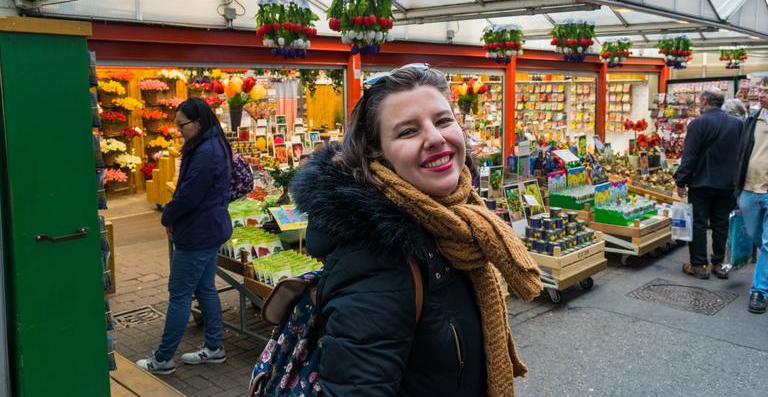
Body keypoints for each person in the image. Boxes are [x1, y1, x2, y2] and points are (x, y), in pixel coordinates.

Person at [291, 64, 542, 396]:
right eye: (408, 131)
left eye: (443, 121)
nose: (436, 138)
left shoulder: (458, 225)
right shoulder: (377, 264)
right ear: (376, 153)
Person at [137, 98, 233, 374]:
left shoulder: (206, 151)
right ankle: (213, 347)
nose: (179, 130)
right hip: (208, 228)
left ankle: (163, 358)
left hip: (197, 232)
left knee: (179, 295)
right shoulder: (211, 144)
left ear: (198, 122)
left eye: (182, 125)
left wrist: (168, 215)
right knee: (205, 288)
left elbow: (189, 194)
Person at [674, 89, 742, 280]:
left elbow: (690, 156)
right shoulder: (738, 124)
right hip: (728, 183)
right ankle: (720, 264)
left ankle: (699, 265)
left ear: (704, 100)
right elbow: (742, 154)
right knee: (722, 224)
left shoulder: (698, 123)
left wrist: (681, 181)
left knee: (699, 223)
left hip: (702, 183)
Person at [735, 76, 768, 313]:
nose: (762, 93)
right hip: (749, 188)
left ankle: (759, 291)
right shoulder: (752, 119)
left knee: (767, 242)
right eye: (761, 89)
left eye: (767, 90)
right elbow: (742, 154)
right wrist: (736, 187)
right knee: (754, 234)